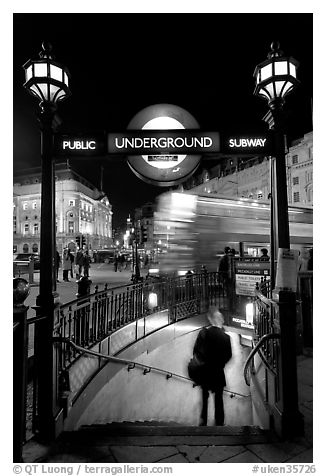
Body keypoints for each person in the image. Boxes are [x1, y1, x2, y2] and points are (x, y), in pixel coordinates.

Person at [193, 307, 232, 426]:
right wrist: (220, 364)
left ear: (211, 320)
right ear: (219, 320)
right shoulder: (226, 337)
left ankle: (203, 421)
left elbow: (196, 351)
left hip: (205, 370)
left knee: (204, 397)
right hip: (218, 371)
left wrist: (203, 362)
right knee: (218, 398)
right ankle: (219, 422)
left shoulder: (203, 333)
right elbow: (228, 355)